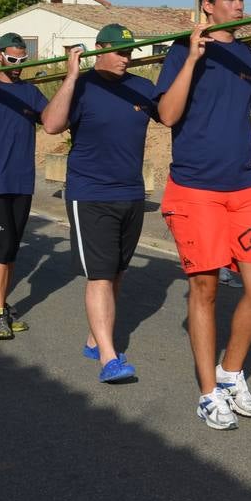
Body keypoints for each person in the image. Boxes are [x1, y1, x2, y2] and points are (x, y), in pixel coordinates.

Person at [155, 0, 251, 430]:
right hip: (195, 190)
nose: (239, 5)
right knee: (206, 287)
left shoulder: (249, 58)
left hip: (243, 190)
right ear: (208, 6)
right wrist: (194, 59)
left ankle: (231, 373)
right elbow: (167, 113)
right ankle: (207, 393)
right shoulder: (182, 50)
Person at [42, 24, 156, 381]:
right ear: (98, 50)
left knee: (117, 272)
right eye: (119, 51)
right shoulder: (82, 86)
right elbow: (51, 125)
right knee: (100, 275)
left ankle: (96, 337)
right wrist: (72, 76)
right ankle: (109, 358)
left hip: (132, 193)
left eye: (130, 52)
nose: (126, 57)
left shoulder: (141, 87)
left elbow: (172, 115)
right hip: (91, 194)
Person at [0, 31, 51, 339]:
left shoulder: (30, 91)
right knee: (3, 245)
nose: (18, 64)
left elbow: (51, 118)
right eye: (12, 59)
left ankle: (1, 303)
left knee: (13, 249)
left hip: (22, 179)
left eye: (22, 59)